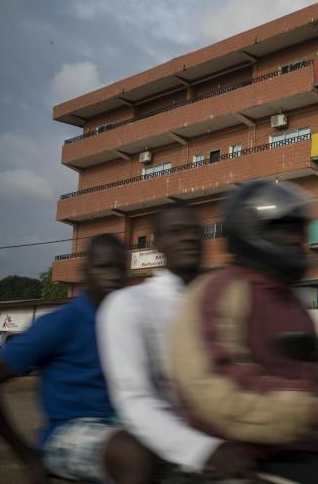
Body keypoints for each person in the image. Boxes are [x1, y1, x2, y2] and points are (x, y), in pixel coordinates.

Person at [167, 180, 318, 483]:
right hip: (247, 454)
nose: (294, 240)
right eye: (283, 230)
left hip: (303, 442)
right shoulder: (219, 291)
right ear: (250, 231)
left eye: (297, 232)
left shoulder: (291, 302)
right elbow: (219, 388)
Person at [97, 203, 251, 480]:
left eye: (195, 231)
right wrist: (201, 450)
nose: (190, 238)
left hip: (235, 440)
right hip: (173, 452)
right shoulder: (129, 304)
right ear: (158, 244)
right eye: (176, 232)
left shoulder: (224, 301)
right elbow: (134, 400)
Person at [0, 234, 155, 484]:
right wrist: (25, 454)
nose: (113, 276)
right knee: (133, 454)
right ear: (86, 273)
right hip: (66, 435)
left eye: (120, 268)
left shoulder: (131, 322)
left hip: (123, 426)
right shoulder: (60, 323)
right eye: (103, 267)